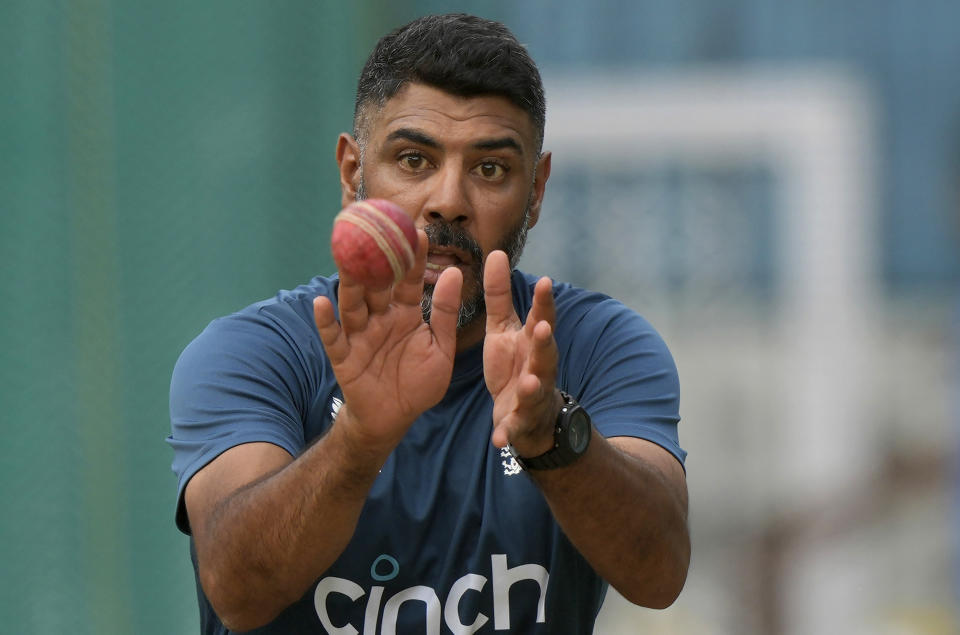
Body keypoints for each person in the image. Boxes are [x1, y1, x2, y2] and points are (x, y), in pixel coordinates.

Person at [168, 13, 690, 634]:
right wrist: (359, 440)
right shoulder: (255, 353)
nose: (449, 200)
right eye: (414, 159)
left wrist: (551, 435)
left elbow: (659, 574)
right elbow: (237, 588)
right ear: (351, 172)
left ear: (538, 190)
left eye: (490, 168)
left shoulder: (592, 346)